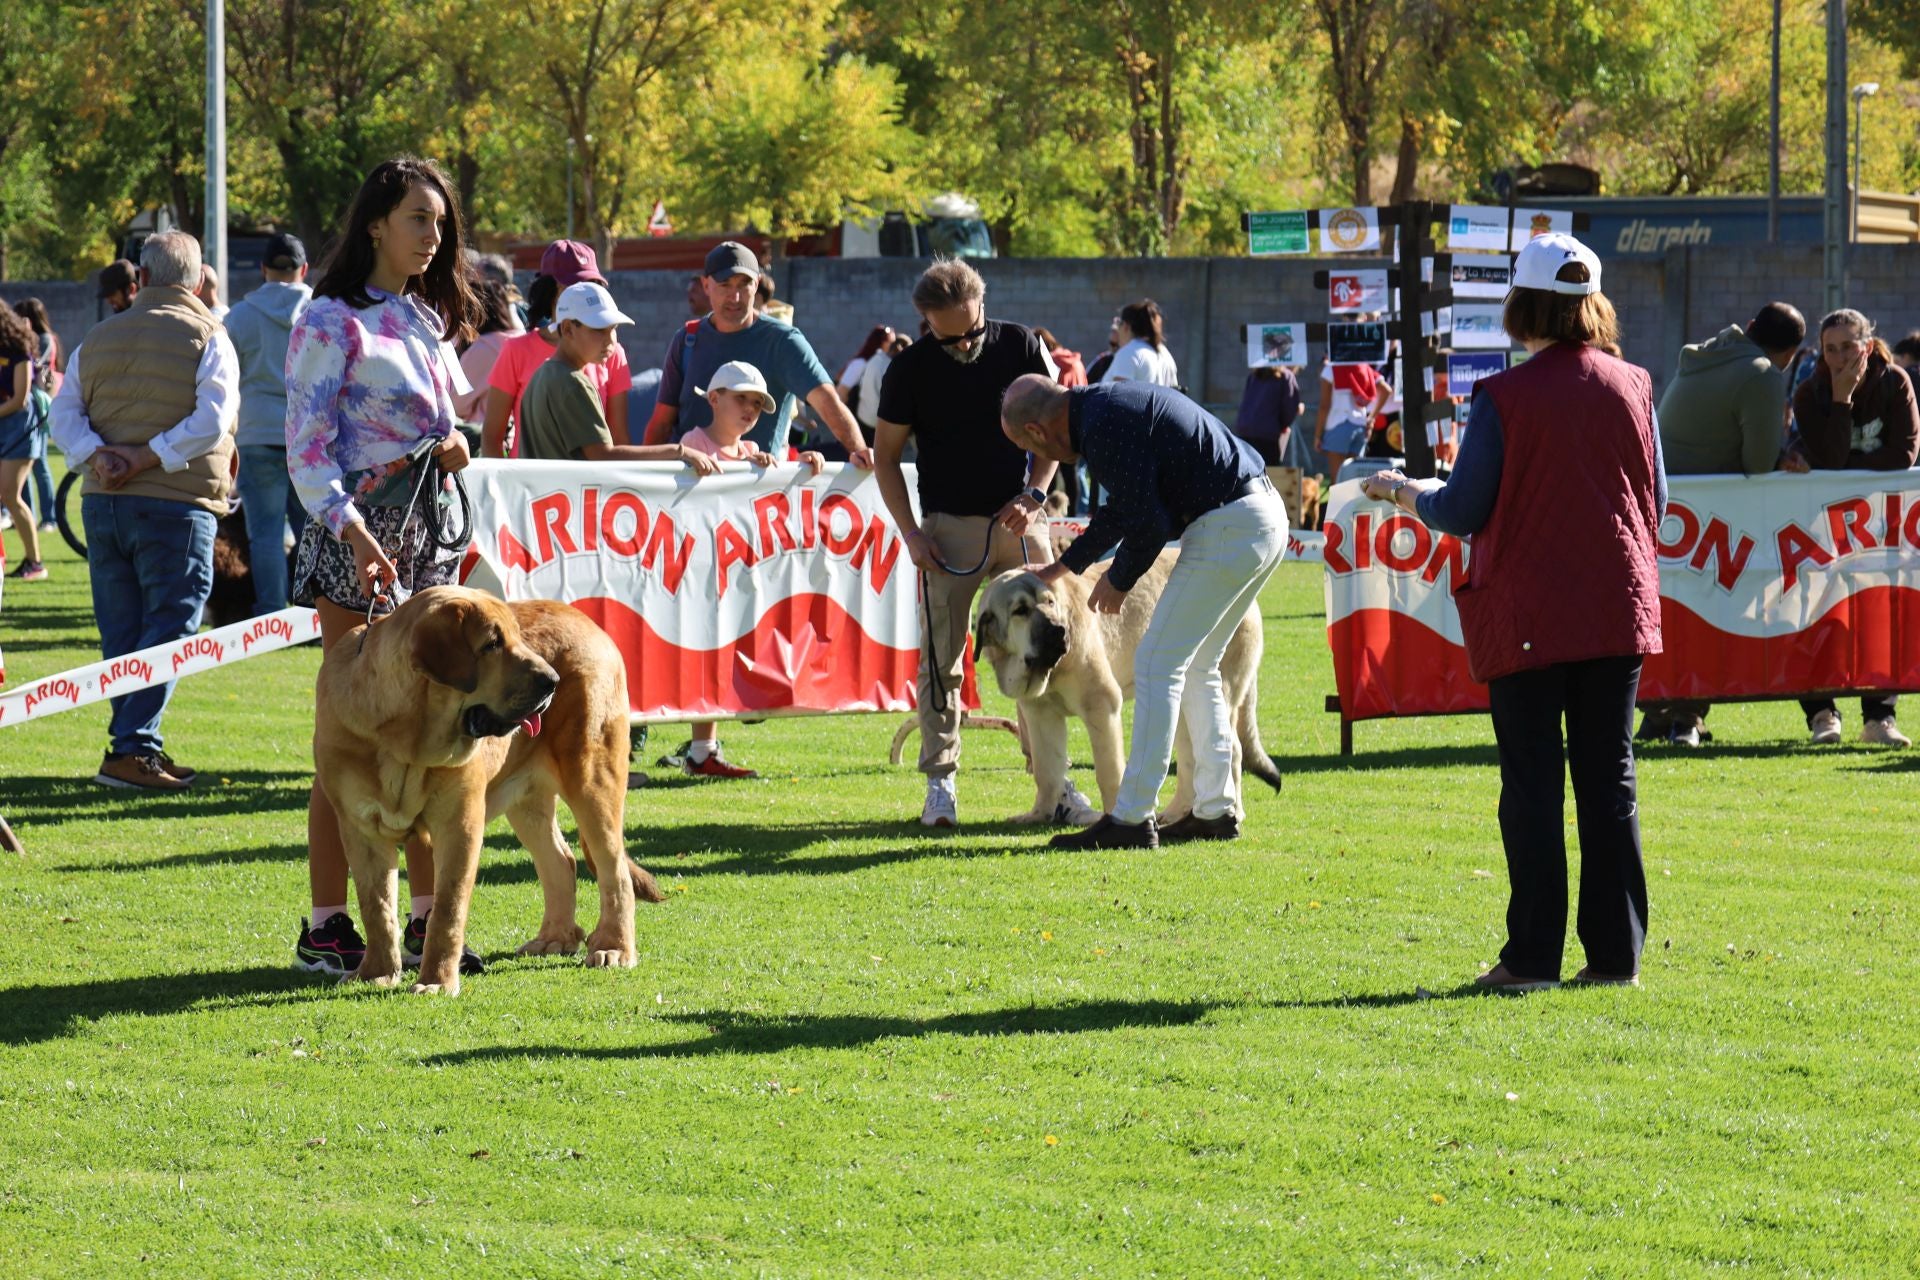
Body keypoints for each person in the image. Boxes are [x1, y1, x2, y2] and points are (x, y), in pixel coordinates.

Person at [1360, 233, 1665, 990]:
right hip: (1617, 606)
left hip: (1529, 610)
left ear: (1521, 307)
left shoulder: (1504, 395)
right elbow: (1656, 502)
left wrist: (1401, 490)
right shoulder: (1635, 384)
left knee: (1532, 784)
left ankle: (1531, 959)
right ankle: (1616, 956)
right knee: (1610, 780)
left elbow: (1463, 510)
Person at [282, 155, 482, 976]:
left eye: (440, 223)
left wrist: (456, 444)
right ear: (375, 224)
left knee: (438, 738)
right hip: (355, 548)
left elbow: (450, 420)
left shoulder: (422, 318)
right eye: (418, 220)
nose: (433, 237)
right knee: (351, 743)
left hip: (431, 545)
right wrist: (358, 536)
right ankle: (331, 927)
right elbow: (306, 450)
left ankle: (436, 929)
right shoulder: (327, 320)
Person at [999, 375, 1288, 850]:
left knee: (1156, 662)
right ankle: (1215, 808)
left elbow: (1149, 521)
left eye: (1026, 447)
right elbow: (1124, 508)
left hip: (1229, 524)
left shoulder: (1103, 427)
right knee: (1198, 665)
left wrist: (1119, 578)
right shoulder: (1104, 410)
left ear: (1036, 430)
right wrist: (1064, 565)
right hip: (1259, 516)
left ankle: (1132, 816)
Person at [871, 257, 1071, 828]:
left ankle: (1056, 783)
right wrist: (911, 533)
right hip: (946, 526)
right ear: (923, 320)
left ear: (983, 305)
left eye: (971, 331)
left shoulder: (1022, 345)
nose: (963, 346)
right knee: (941, 657)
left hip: (1018, 518)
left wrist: (1035, 495)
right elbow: (886, 458)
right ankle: (941, 783)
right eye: (947, 336)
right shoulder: (908, 369)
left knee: (1043, 645)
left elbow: (1055, 432)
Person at [48, 231, 240, 788]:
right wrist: (147, 455)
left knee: (121, 629)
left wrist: (100, 457)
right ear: (199, 281)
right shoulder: (210, 336)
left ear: (145, 279)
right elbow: (214, 420)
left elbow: (65, 415)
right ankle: (131, 749)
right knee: (172, 626)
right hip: (175, 504)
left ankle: (136, 744)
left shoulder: (99, 336)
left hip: (104, 503)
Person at [1643, 302, 1805, 747]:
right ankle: (1685, 717)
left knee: (1669, 614)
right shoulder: (1763, 374)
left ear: (1750, 326)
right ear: (1789, 353)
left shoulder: (1702, 355)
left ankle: (1659, 712)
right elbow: (1756, 463)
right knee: (1711, 615)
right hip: (1713, 520)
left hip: (1663, 508)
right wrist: (1780, 446)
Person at [1787, 308, 1919, 748]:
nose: (1840, 357)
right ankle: (1822, 712)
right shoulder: (1810, 394)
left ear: (1867, 345)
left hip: (1881, 527)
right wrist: (1840, 401)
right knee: (1816, 612)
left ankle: (1879, 716)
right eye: (1830, 349)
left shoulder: (1895, 382)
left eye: (1848, 347)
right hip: (1821, 526)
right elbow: (1828, 459)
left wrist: (1843, 467)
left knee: (1880, 616)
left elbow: (1903, 454)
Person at [644, 242, 873, 464]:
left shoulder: (784, 341)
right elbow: (662, 423)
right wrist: (639, 482)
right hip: (689, 489)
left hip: (759, 491)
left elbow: (827, 403)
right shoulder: (686, 340)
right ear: (706, 285)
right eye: (725, 285)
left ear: (757, 285)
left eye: (744, 285)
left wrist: (860, 453)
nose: (735, 297)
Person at [517, 283, 720, 472]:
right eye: (598, 329)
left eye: (613, 329)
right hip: (568, 506)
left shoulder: (541, 375)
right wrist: (679, 452)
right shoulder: (572, 382)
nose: (610, 340)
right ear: (568, 329)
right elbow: (603, 457)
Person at [222, 230, 313, 614]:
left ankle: (271, 613)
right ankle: (313, 608)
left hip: (258, 433)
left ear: (263, 270)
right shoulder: (320, 312)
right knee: (313, 533)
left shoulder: (240, 316)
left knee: (265, 535)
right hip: (308, 434)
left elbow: (226, 378)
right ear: (303, 269)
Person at [482, 241, 633, 457]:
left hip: (590, 489)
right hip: (529, 488)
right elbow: (491, 438)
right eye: (572, 287)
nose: (583, 294)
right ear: (549, 290)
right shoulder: (516, 351)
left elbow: (618, 439)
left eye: (592, 285)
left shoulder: (612, 352)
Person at [0, 307, 45, 580]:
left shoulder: (19, 351)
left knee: (9, 494)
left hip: (21, 428)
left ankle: (35, 563)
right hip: (4, 425)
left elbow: (19, 399)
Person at [14, 299, 61, 532]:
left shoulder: (44, 340)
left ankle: (49, 517)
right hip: (31, 405)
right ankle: (28, 515)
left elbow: (32, 366)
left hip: (39, 405)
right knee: (28, 463)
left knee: (40, 464)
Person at [1313, 345, 1389, 483]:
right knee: (1355, 482)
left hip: (1337, 425)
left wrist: (1318, 435)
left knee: (1337, 481)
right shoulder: (1364, 368)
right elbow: (1386, 390)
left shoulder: (1330, 369)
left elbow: (1324, 406)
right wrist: (1371, 418)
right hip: (1360, 426)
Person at [452, 280, 518, 430]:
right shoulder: (520, 340)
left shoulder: (484, 349)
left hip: (488, 434)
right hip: (517, 433)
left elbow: (456, 405)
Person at [1233, 365, 1304, 465]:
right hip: (1267, 435)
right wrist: (1282, 424)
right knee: (1269, 473)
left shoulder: (1254, 375)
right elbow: (1289, 408)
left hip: (1245, 431)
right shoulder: (1286, 376)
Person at [1101, 299, 1179, 387]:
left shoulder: (1128, 353)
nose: (1118, 329)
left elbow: (1119, 398)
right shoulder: (1166, 356)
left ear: (1126, 326)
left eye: (1119, 324)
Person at [836, 325, 893, 429]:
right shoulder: (861, 364)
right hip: (858, 421)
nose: (893, 346)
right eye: (890, 342)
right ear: (881, 342)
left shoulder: (882, 363)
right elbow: (841, 392)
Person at [1084, 314, 1122, 386]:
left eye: (1117, 345)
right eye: (1112, 344)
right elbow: (1085, 382)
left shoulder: (1129, 359)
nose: (1114, 348)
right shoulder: (1103, 360)